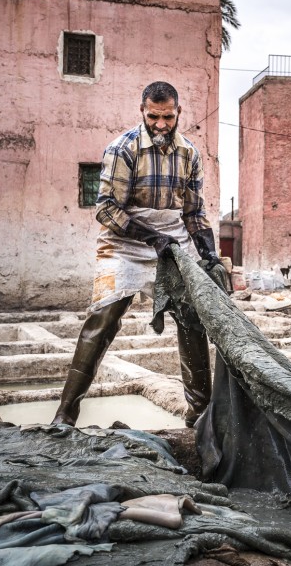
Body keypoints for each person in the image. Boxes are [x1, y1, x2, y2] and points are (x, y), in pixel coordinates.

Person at [52, 81, 222, 428]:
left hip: (172, 241)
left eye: (168, 117)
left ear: (178, 114)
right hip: (125, 242)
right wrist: (150, 237)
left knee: (191, 319)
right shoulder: (123, 148)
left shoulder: (189, 153)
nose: (161, 124)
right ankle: (65, 415)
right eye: (154, 116)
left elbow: (193, 212)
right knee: (103, 321)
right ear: (142, 112)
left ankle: (199, 414)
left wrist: (211, 254)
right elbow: (106, 210)